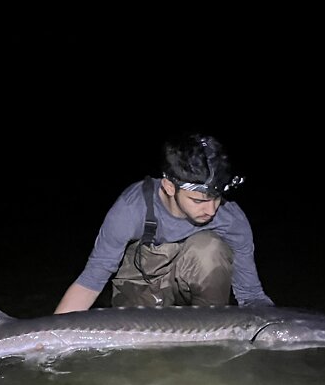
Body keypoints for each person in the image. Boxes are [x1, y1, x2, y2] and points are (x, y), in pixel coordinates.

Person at [53, 133, 275, 314]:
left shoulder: (231, 218)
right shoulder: (131, 209)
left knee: (210, 248)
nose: (211, 210)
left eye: (216, 199)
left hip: (196, 294)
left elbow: (251, 295)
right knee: (147, 363)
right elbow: (92, 278)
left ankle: (207, 335)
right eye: (198, 200)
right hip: (142, 287)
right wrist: (50, 337)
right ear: (169, 187)